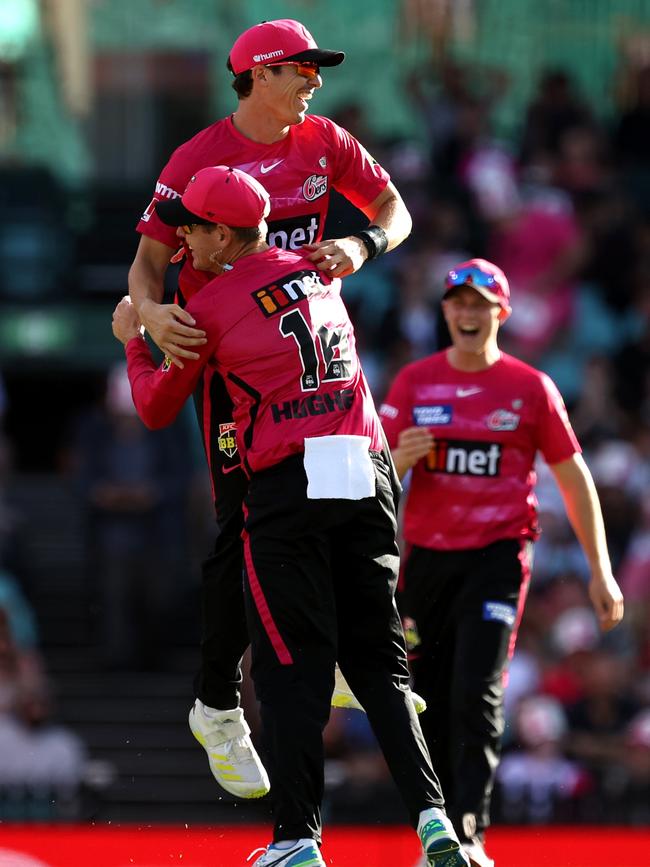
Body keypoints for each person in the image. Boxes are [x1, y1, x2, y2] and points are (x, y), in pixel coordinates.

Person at [113, 165, 468, 867]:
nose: (181, 240)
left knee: (288, 666)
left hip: (290, 483)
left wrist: (133, 334)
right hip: (367, 474)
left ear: (223, 233)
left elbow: (155, 407)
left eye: (193, 228)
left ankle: (297, 838)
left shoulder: (209, 307)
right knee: (383, 667)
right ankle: (435, 824)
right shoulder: (318, 270)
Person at [127, 17, 416, 796]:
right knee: (243, 526)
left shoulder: (325, 141)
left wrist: (361, 247)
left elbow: (395, 210)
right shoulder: (197, 160)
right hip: (227, 361)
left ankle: (349, 657)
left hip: (301, 354)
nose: (315, 82)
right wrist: (152, 318)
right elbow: (147, 266)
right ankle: (219, 703)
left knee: (344, 497)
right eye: (301, 70)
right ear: (259, 72)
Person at [378, 258, 624, 867]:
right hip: (428, 562)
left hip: (498, 556)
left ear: (502, 313)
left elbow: (575, 478)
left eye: (480, 304)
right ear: (444, 311)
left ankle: (469, 834)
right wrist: (400, 459)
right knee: (425, 698)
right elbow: (371, 479)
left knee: (477, 691)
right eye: (457, 303)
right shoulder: (413, 384)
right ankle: (433, 837)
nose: (467, 313)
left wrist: (602, 571)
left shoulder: (530, 388)